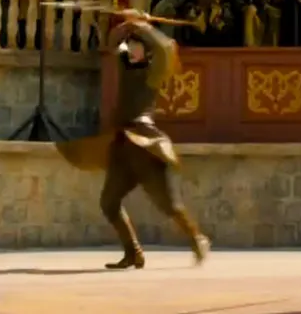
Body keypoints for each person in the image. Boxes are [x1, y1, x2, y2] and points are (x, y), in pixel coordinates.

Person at [57, 14, 211, 269]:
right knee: (109, 203)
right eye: (131, 44)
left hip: (146, 147)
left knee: (170, 205)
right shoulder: (125, 65)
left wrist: (143, 26)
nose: (131, 48)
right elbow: (112, 42)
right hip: (123, 147)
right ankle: (133, 252)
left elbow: (164, 47)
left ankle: (197, 238)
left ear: (146, 51)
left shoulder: (153, 73)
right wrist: (126, 24)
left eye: (137, 45)